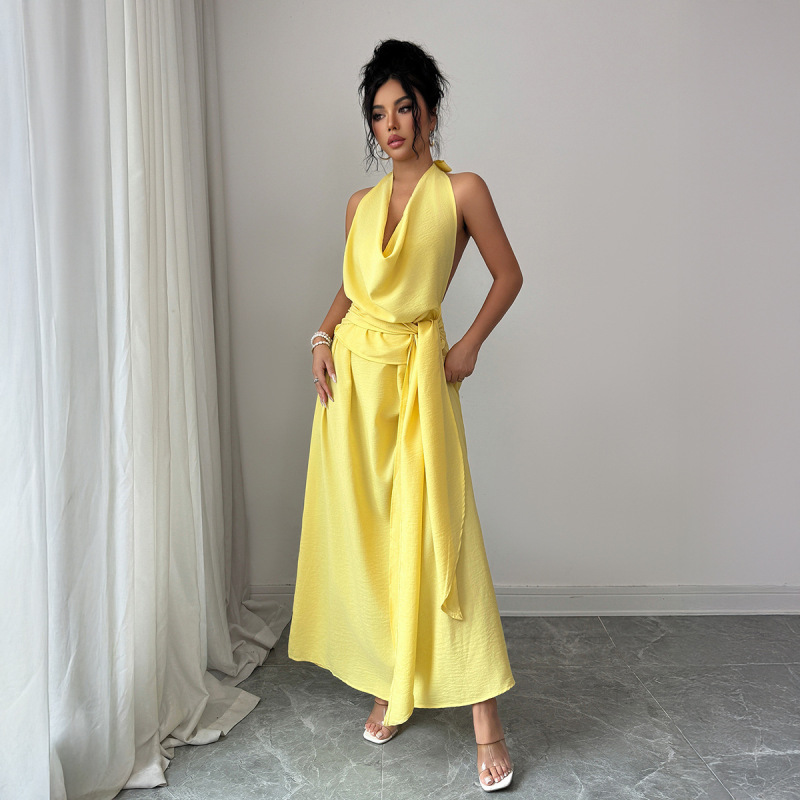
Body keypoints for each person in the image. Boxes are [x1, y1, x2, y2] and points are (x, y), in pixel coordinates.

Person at [287, 39, 524, 792]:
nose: (391, 124)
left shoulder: (463, 192)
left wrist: (469, 345)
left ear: (429, 110)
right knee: (369, 539)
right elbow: (352, 287)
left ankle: (486, 720)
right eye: (378, 113)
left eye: (403, 108)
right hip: (351, 386)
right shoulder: (358, 205)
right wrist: (321, 339)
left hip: (418, 378)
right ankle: (393, 681)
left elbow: (508, 274)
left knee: (440, 531)